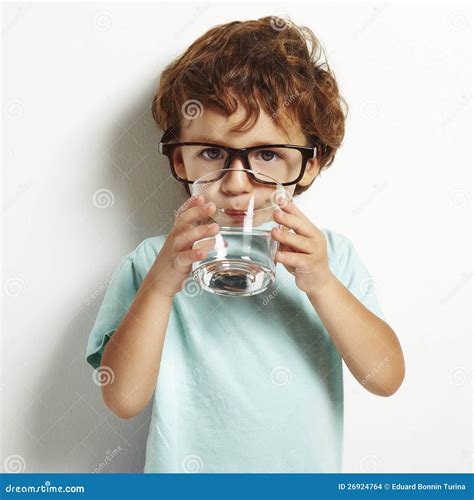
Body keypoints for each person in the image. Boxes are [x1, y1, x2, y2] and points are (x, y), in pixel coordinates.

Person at [85, 16, 405, 473]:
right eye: (212, 153)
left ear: (310, 164)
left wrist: (322, 284)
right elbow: (122, 399)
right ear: (181, 159)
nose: (237, 183)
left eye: (267, 155)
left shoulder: (330, 257)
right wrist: (160, 286)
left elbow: (386, 378)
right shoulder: (154, 263)